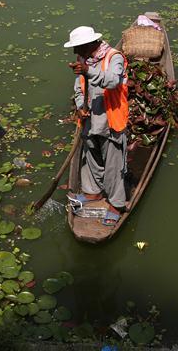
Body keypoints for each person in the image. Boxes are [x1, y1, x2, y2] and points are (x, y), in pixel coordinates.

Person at [64, 26, 129, 226]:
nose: (76, 53)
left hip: (110, 119)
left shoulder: (113, 57)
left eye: (78, 48)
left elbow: (113, 81)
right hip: (91, 118)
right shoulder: (84, 60)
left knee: (113, 163)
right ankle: (93, 192)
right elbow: (79, 86)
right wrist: (79, 106)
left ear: (90, 44)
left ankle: (116, 204)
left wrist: (88, 71)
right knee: (91, 155)